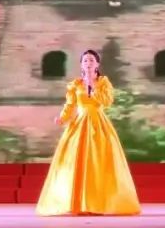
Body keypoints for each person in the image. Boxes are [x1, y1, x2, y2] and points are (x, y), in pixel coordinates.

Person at [36, 49, 141, 216]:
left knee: (98, 162)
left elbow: (107, 101)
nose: (88, 63)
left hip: (98, 123)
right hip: (80, 123)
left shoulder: (103, 82)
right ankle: (77, 203)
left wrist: (93, 88)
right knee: (76, 162)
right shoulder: (76, 84)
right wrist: (62, 118)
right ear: (81, 65)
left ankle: (97, 203)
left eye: (91, 60)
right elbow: (70, 105)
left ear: (97, 64)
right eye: (85, 60)